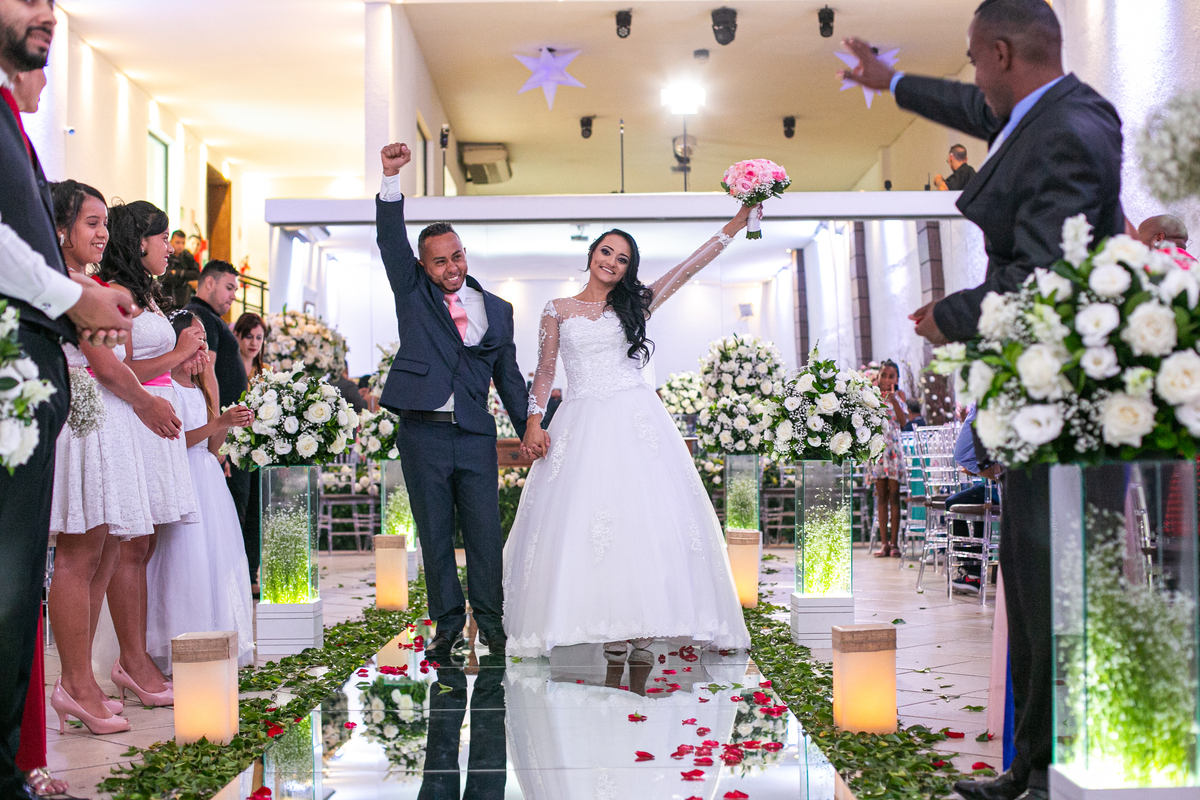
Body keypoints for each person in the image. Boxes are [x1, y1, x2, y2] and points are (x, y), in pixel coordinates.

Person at [840, 1, 1123, 797]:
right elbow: (976, 107)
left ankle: (1053, 768)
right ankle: (1031, 766)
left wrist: (951, 315)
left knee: (1051, 583)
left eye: (973, 58)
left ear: (1000, 53)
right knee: (1026, 580)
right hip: (1039, 403)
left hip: (1067, 407)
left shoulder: (1066, 132)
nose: (973, 77)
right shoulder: (1052, 110)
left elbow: (1044, 277)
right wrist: (891, 81)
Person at [505, 211, 754, 659]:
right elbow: (545, 370)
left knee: (642, 519)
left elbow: (689, 266)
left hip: (636, 420)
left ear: (627, 269)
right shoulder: (557, 309)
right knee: (587, 522)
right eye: (606, 252)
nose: (612, 262)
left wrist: (737, 222)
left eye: (622, 259)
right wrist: (534, 421)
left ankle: (643, 619)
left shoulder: (635, 305)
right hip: (580, 421)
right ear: (591, 254)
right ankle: (604, 620)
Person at [0, 2, 132, 795]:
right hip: (14, 378)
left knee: (19, 592)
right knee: (14, 586)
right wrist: (71, 297)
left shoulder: (9, 113)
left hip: (28, 380)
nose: (46, 13)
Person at [375, 142, 531, 658]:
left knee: (485, 535)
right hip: (422, 433)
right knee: (435, 535)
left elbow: (509, 379)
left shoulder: (497, 309)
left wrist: (531, 429)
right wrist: (390, 179)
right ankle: (446, 625)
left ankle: (491, 622)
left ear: (465, 253)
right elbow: (390, 240)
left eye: (456, 256)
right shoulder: (412, 292)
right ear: (424, 266)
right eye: (439, 261)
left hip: (474, 435)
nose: (451, 267)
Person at [47, 181, 183, 739]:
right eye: (91, 223)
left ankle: (82, 679)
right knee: (78, 555)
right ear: (61, 229)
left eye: (105, 223)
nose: (103, 233)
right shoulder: (65, 285)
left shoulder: (87, 283)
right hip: (82, 416)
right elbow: (103, 362)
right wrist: (146, 401)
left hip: (104, 421)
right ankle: (75, 683)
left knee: (103, 551)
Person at [98, 200, 207, 709]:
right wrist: (179, 353)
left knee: (144, 546)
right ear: (139, 241)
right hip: (134, 417)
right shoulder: (116, 293)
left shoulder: (146, 292)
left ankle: (136, 655)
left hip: (157, 419)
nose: (170, 247)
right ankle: (131, 659)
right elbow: (116, 370)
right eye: (163, 237)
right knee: (130, 544)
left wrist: (186, 360)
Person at [146, 312, 255, 673]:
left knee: (214, 560)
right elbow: (175, 441)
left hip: (208, 478)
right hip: (182, 474)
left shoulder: (200, 385)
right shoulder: (166, 387)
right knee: (182, 559)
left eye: (205, 338)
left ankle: (213, 640)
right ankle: (174, 644)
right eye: (196, 337)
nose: (204, 345)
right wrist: (219, 422)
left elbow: (212, 446)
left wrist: (226, 421)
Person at [187, 261, 252, 579]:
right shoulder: (201, 317)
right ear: (209, 283)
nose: (233, 296)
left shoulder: (210, 318)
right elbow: (207, 373)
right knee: (231, 506)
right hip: (219, 428)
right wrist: (217, 435)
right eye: (229, 288)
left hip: (225, 424)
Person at [233, 311, 267, 592]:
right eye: (249, 337)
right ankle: (235, 574)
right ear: (238, 337)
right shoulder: (229, 368)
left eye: (259, 337)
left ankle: (252, 574)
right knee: (238, 509)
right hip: (234, 448)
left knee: (257, 512)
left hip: (261, 451)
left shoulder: (265, 373)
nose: (254, 343)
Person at [865, 360, 908, 557]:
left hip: (893, 451)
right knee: (881, 496)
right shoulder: (872, 395)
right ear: (878, 376)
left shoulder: (900, 396)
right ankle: (884, 544)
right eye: (884, 375)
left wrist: (894, 400)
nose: (887, 379)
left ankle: (894, 543)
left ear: (897, 379)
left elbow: (903, 421)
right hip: (878, 449)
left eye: (892, 376)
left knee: (894, 495)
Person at [160, 229, 199, 310]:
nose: (180, 246)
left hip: (184, 302)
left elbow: (196, 274)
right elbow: (165, 277)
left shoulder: (187, 257)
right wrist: (186, 279)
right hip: (167, 303)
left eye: (183, 243)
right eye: (177, 242)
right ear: (171, 241)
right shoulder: (165, 256)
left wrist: (177, 273)